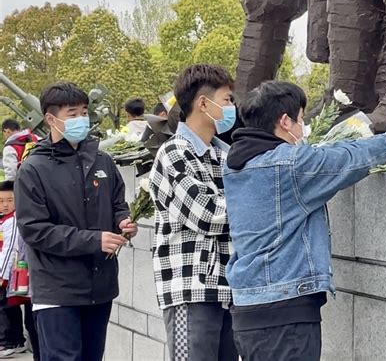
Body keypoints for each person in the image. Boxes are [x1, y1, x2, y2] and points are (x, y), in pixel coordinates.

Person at [223, 81, 386, 361]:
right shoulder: (288, 164)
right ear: (284, 121)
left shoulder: (237, 164)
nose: (302, 129)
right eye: (299, 120)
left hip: (250, 308)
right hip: (284, 311)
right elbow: (345, 160)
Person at [14, 82, 137, 361]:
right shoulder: (34, 169)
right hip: (57, 289)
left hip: (100, 286)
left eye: (84, 112)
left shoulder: (103, 161)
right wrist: (95, 240)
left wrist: (124, 222)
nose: (81, 119)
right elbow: (35, 230)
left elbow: (118, 203)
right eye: (72, 114)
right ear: (50, 118)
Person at [149, 64, 239, 361]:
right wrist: (251, 204)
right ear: (203, 103)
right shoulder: (174, 153)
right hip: (192, 288)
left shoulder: (224, 153)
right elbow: (208, 214)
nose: (231, 108)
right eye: (227, 100)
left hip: (228, 288)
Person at [0, 181, 39, 360]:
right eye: (1, 201)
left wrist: (1, 275)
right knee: (13, 308)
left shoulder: (14, 220)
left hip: (13, 273)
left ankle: (10, 341)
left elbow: (10, 249)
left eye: (9, 200)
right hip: (12, 273)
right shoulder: (5, 219)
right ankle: (15, 340)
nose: (5, 204)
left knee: (7, 309)